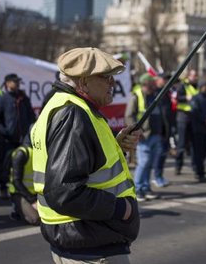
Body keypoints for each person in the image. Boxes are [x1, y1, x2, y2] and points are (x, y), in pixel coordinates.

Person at [30, 47, 140, 263]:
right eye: (105, 76)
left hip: (82, 237)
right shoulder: (73, 114)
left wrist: (116, 146)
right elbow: (64, 191)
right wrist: (122, 209)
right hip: (90, 242)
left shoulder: (65, 105)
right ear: (82, 82)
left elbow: (80, 166)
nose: (112, 83)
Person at [0, 73, 36, 198]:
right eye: (14, 81)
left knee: (22, 166)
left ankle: (21, 190)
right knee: (6, 164)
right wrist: (4, 131)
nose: (17, 83)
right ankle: (3, 187)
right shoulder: (3, 99)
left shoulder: (24, 98)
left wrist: (29, 130)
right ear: (8, 83)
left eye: (18, 81)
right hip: (8, 139)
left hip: (23, 140)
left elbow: (31, 115)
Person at [125, 74, 163, 200]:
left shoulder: (154, 95)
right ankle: (137, 189)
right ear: (144, 84)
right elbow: (129, 116)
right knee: (143, 162)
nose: (152, 86)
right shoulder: (136, 97)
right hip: (144, 136)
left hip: (155, 134)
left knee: (149, 163)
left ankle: (146, 188)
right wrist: (137, 131)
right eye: (150, 84)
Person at [7, 133, 40, 225]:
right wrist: (33, 200)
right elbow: (16, 182)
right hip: (20, 193)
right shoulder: (21, 153)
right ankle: (17, 210)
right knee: (36, 219)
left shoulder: (40, 151)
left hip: (36, 193)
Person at [151, 73, 174, 188]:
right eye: (164, 79)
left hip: (167, 127)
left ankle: (160, 175)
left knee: (163, 153)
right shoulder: (156, 92)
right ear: (158, 80)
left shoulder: (167, 93)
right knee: (159, 154)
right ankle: (157, 177)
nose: (166, 81)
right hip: (159, 128)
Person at [190, 79, 206, 182]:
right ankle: (199, 172)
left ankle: (201, 170)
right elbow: (195, 112)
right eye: (205, 86)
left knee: (204, 151)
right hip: (198, 129)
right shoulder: (196, 98)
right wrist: (205, 120)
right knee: (198, 152)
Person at [175, 69, 198, 176]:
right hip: (183, 116)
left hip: (193, 117)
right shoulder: (182, 86)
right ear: (188, 76)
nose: (195, 77)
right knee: (182, 143)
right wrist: (185, 98)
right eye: (193, 75)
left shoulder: (196, 86)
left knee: (194, 143)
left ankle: (195, 166)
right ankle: (178, 166)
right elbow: (178, 98)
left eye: (196, 76)